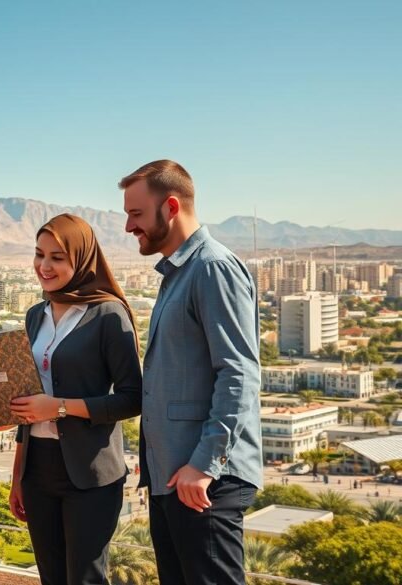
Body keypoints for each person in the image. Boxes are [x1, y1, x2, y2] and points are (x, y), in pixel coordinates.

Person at [121, 160, 262, 585]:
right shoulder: (178, 272)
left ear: (171, 206)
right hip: (175, 477)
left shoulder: (212, 268)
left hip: (204, 481)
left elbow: (239, 373)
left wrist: (204, 465)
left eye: (136, 214)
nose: (129, 226)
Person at [8, 213, 143, 585]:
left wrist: (61, 407)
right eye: (39, 255)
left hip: (90, 472)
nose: (44, 266)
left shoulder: (107, 314)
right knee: (51, 577)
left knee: (84, 578)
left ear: (81, 260)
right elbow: (28, 403)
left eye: (57, 257)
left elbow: (133, 398)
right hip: (38, 470)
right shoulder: (35, 314)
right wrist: (18, 476)